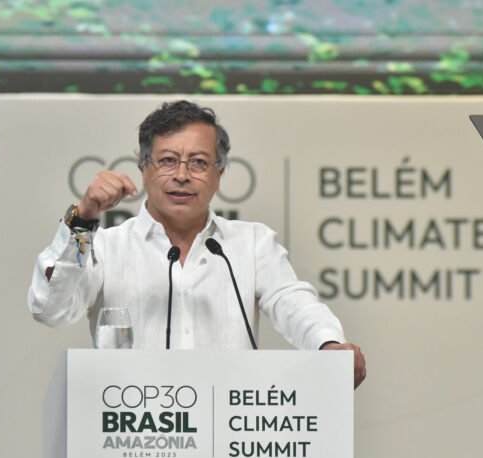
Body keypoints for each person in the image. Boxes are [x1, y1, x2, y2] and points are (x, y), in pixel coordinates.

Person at [28, 100, 366, 388]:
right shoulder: (107, 246)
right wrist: (83, 219)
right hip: (133, 439)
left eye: (199, 163)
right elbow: (49, 309)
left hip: (231, 437)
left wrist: (328, 345)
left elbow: (293, 303)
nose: (182, 175)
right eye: (168, 160)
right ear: (144, 169)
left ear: (219, 175)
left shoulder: (251, 243)